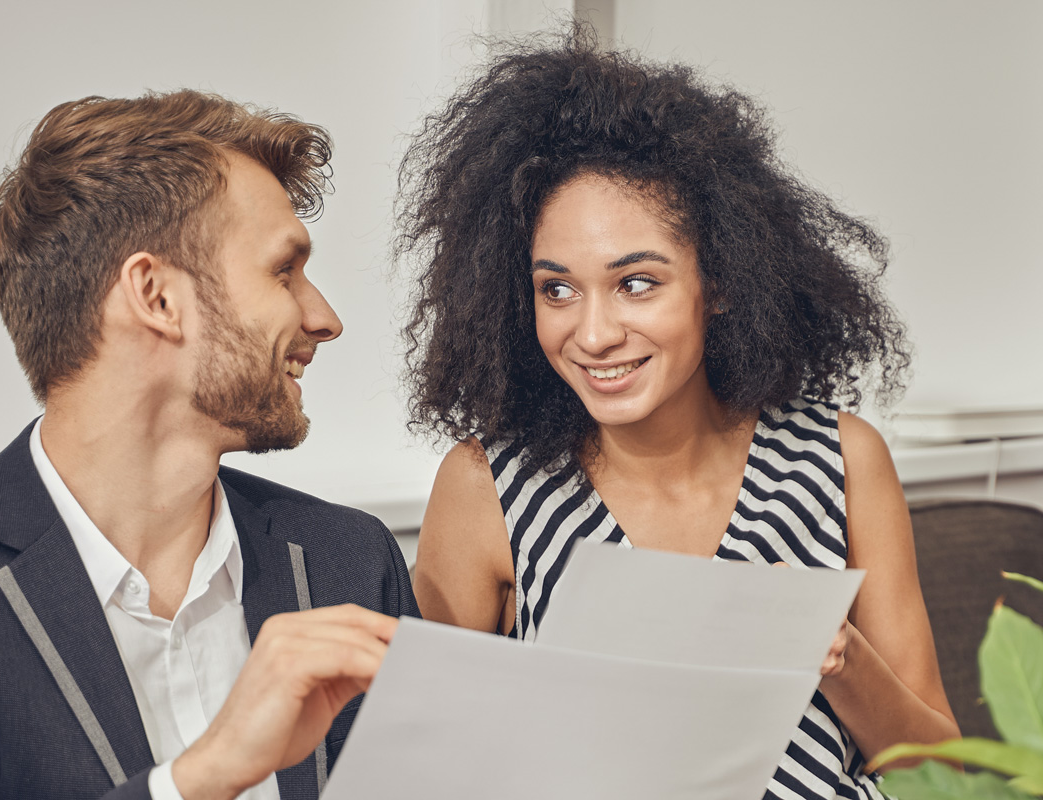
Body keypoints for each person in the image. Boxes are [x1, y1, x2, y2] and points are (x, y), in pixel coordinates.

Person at [401, 32, 959, 800]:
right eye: (556, 289)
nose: (592, 333)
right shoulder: (485, 488)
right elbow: (424, 769)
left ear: (722, 282)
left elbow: (950, 777)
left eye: (636, 284)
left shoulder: (841, 458)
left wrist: (840, 658)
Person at [0, 90, 418, 800]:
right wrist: (202, 779)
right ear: (156, 295)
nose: (322, 317)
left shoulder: (351, 562)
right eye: (282, 270)